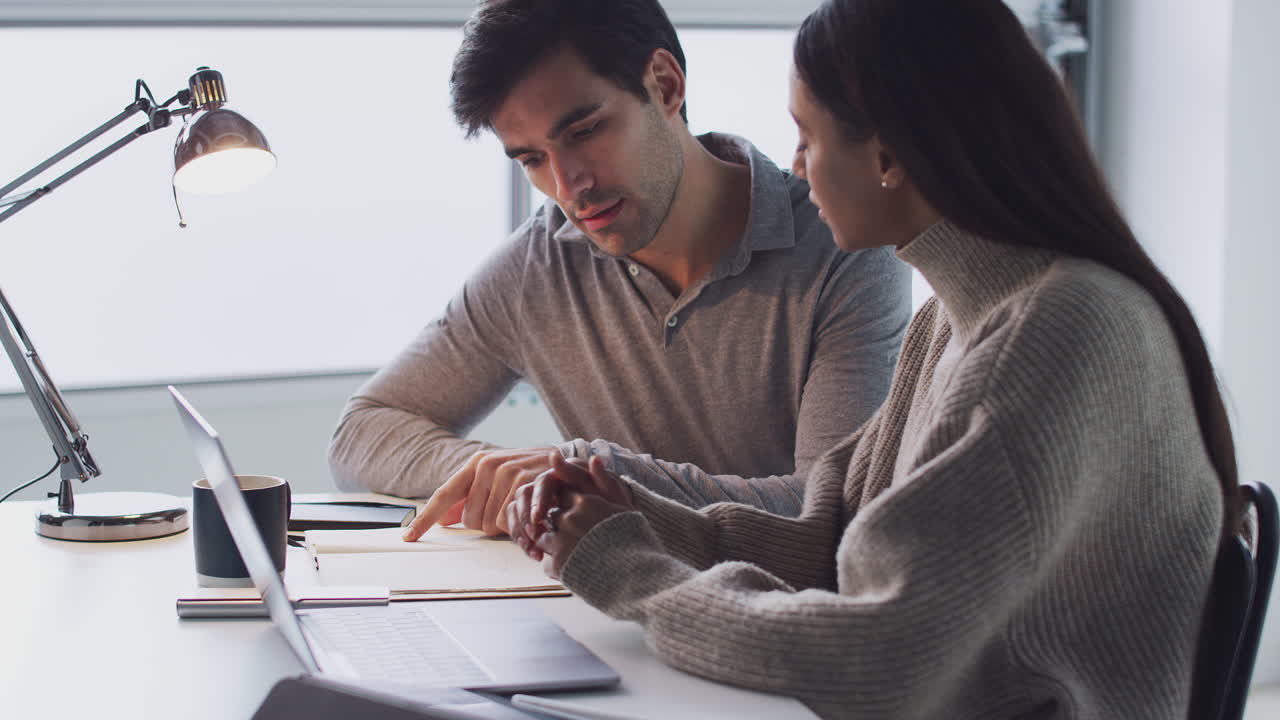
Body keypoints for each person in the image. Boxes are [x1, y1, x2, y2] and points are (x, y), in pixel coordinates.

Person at [500, 1, 1238, 717]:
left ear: (887, 153)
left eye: (806, 136)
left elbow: (874, 668)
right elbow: (834, 532)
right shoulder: (954, 320)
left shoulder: (1056, 332)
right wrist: (632, 515)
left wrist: (628, 569)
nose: (796, 166)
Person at [332, 0, 911, 534]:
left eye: (584, 132)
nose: (568, 187)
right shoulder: (537, 267)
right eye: (532, 158)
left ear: (664, 85)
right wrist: (495, 473)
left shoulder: (845, 249)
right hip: (612, 610)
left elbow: (830, 507)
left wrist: (592, 473)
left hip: (788, 626)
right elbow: (363, 432)